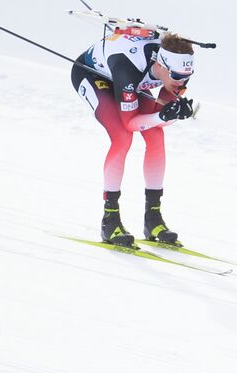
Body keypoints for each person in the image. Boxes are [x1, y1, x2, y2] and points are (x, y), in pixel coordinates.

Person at [71, 25, 196, 246]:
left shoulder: (177, 69)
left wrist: (173, 115)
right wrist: (163, 117)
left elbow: (162, 116)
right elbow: (130, 124)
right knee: (122, 137)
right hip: (94, 75)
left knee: (156, 136)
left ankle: (153, 218)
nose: (181, 82)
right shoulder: (129, 66)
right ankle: (109, 220)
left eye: (187, 77)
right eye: (177, 76)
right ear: (161, 65)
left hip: (132, 82)